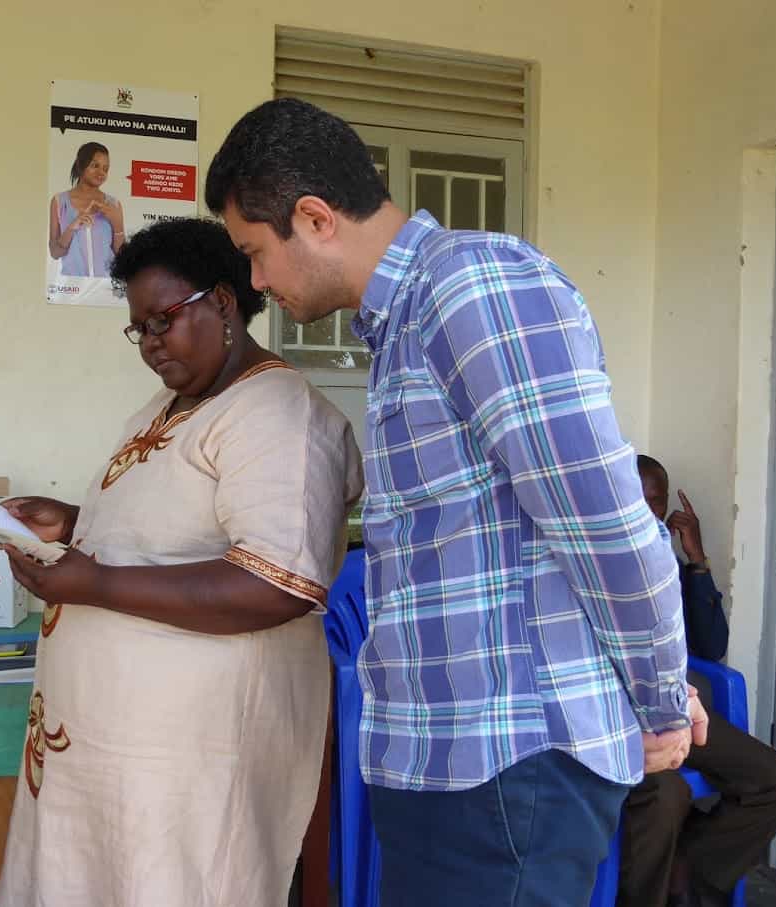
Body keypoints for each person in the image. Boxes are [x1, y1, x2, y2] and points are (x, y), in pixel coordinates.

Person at [205, 97, 709, 907]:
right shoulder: (405, 321)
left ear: (314, 218)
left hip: (510, 765)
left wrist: (660, 699)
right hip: (448, 763)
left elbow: (604, 523)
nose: (256, 282)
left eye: (253, 253)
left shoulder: (473, 285)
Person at [0, 217, 364, 906]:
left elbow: (275, 584)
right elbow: (168, 529)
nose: (151, 343)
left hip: (191, 752)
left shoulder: (277, 415)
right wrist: (71, 523)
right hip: (111, 749)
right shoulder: (169, 405)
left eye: (162, 320)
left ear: (222, 302)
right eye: (139, 329)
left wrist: (94, 583)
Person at [620, 456, 776, 907]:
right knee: (668, 793)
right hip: (619, 717)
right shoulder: (602, 556)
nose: (646, 510)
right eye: (635, 498)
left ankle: (689, 868)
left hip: (678, 706)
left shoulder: (666, 558)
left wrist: (697, 560)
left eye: (655, 501)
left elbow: (711, 644)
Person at [48, 141, 125, 277]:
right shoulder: (59, 202)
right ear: (81, 165)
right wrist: (72, 227)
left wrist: (117, 226)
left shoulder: (114, 204)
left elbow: (122, 257)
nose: (101, 172)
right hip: (73, 286)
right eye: (95, 166)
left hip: (104, 285)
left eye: (105, 169)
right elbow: (55, 253)